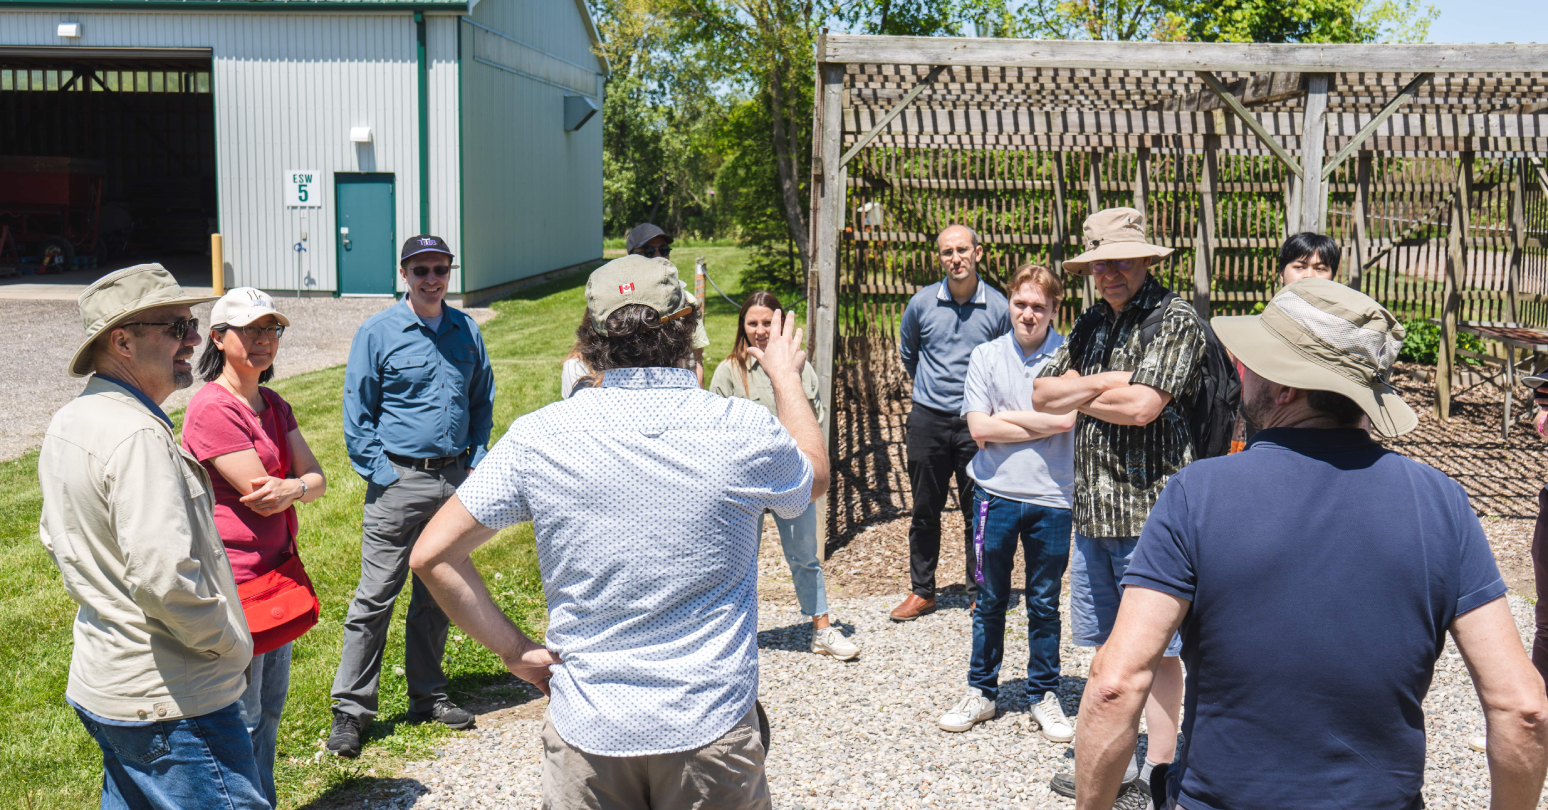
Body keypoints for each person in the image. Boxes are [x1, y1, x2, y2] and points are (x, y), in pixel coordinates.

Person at [1075, 278, 1548, 810]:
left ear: (1285, 387)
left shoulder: (1197, 495)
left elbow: (1115, 685)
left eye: (1251, 361)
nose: (1240, 371)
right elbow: (1522, 708)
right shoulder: (1440, 504)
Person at [409, 254, 827, 810]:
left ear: (591, 337)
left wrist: (514, 651)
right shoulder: (738, 428)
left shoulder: (541, 435)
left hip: (590, 729)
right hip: (709, 722)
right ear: (686, 324)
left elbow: (432, 555)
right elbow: (812, 476)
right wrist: (785, 377)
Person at [39, 264, 266, 809]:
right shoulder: (137, 434)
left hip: (110, 684)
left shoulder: (73, 419)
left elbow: (55, 539)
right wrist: (228, 643)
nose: (193, 339)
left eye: (190, 324)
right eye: (175, 327)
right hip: (173, 700)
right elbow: (167, 581)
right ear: (121, 340)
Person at [1031, 208, 1208, 798]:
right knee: (1108, 650)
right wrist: (1111, 380)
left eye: (1120, 260)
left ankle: (1158, 769)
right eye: (1099, 262)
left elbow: (1144, 409)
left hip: (1152, 517)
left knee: (1156, 653)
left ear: (1147, 260)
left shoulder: (1174, 318)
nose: (1108, 272)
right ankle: (1119, 763)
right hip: (1094, 516)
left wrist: (1084, 391)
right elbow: (1041, 393)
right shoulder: (1089, 322)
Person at [329, 235, 496, 758]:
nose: (431, 278)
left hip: (452, 482)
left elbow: (482, 397)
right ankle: (351, 713)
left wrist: (474, 460)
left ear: (450, 272)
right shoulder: (378, 332)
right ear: (405, 273)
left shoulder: (465, 329)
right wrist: (382, 472)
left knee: (437, 594)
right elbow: (358, 411)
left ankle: (428, 697)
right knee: (375, 596)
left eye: (440, 269)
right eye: (421, 269)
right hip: (399, 481)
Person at [182, 287, 328, 806]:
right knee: (239, 716)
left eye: (272, 330)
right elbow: (260, 494)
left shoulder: (273, 403)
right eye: (251, 331)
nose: (264, 341)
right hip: (237, 581)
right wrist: (295, 486)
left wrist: (296, 486)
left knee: (269, 708)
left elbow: (317, 479)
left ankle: (260, 798)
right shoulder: (211, 409)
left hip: (277, 574)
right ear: (220, 339)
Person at [936, 264, 1077, 739]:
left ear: (1055, 309)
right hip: (993, 495)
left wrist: (1008, 422)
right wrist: (1042, 420)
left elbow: (1068, 422)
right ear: (1009, 304)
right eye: (1021, 304)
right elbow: (979, 429)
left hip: (1053, 497)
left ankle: (1044, 694)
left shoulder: (1070, 358)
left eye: (1039, 306)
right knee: (990, 599)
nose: (1029, 314)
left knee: (1043, 602)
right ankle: (982, 691)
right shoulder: (986, 356)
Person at [710, 290, 859, 660]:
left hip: (789, 477)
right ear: (742, 327)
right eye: (752, 323)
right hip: (744, 481)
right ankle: (733, 634)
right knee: (739, 558)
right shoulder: (729, 371)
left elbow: (815, 418)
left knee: (804, 553)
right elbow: (714, 427)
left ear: (777, 323)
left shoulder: (798, 368)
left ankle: (822, 629)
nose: (760, 330)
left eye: (766, 322)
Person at [892, 223, 1011, 621]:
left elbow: (1006, 362)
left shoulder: (998, 308)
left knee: (977, 511)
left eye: (962, 250)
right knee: (925, 509)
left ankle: (979, 590)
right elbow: (910, 354)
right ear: (939, 258)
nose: (955, 258)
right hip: (928, 420)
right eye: (947, 252)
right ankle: (922, 591)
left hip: (975, 423)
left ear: (979, 253)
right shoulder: (922, 304)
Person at [626, 222, 711, 386]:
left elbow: (697, 359)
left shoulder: (687, 301)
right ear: (630, 257)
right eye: (648, 252)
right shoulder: (622, 304)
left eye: (664, 250)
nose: (658, 257)